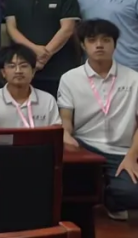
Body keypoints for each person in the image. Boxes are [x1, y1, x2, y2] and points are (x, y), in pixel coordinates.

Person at [58, 20, 138, 220]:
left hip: (122, 150)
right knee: (64, 189)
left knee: (132, 194)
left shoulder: (134, 79)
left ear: (115, 44)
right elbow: (66, 119)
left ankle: (110, 197)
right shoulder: (69, 78)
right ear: (83, 45)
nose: (99, 45)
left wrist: (131, 156)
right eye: (92, 40)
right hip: (84, 146)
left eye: (106, 40)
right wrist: (66, 136)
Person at [5, 0, 80, 97]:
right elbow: (11, 28)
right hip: (26, 68)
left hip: (60, 67)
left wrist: (45, 54)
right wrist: (35, 51)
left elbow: (67, 28)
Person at [0, 44, 61, 128]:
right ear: (3, 73)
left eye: (23, 66)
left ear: (33, 72)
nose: (18, 71)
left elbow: (56, 131)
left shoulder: (47, 100)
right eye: (12, 66)